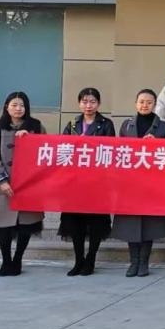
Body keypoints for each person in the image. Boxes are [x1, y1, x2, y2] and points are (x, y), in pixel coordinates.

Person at [113, 89, 165, 278]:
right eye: (141, 101)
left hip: (151, 183)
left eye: (149, 102)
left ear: (154, 104)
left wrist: (156, 143)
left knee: (149, 225)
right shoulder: (127, 125)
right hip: (130, 182)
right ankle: (133, 262)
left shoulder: (162, 127)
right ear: (135, 103)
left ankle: (144, 262)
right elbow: (120, 151)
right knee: (130, 224)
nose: (144, 105)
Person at [0, 91, 45, 277]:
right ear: (7, 107)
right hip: (3, 188)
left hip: (28, 185)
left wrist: (30, 139)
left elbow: (45, 150)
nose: (18, 109)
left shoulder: (36, 126)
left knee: (26, 226)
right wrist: (2, 181)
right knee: (3, 227)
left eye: (22, 105)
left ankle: (18, 259)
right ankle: (6, 261)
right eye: (14, 105)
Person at [58, 87, 115, 276]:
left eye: (92, 102)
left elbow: (109, 150)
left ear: (98, 104)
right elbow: (63, 149)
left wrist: (88, 144)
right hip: (75, 182)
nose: (88, 105)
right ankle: (78, 260)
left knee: (96, 223)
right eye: (84, 101)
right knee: (76, 224)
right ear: (79, 103)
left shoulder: (106, 124)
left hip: (97, 182)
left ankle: (91, 259)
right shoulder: (72, 124)